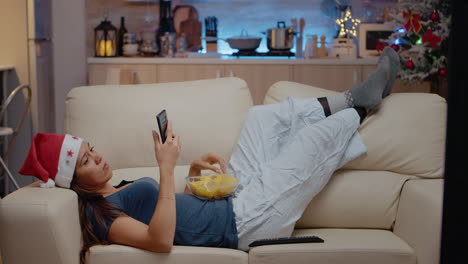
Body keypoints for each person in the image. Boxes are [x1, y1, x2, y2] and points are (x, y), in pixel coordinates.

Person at [19, 47, 399, 263]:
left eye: (92, 149)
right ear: (73, 181)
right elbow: (160, 240)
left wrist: (194, 176)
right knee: (314, 141)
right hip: (247, 224)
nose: (98, 158)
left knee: (260, 118)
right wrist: (166, 169)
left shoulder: (114, 187)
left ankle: (351, 98)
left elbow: (176, 209)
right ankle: (361, 109)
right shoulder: (100, 216)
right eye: (85, 161)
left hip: (233, 199)